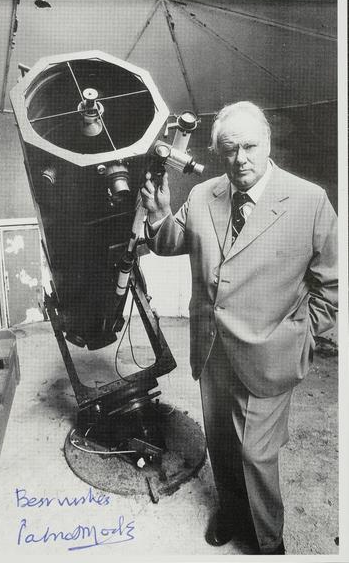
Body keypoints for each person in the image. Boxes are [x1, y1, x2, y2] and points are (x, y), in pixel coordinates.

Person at [140, 101, 338, 555]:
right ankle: (231, 512)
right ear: (218, 153)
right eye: (229, 149)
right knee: (224, 445)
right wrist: (159, 214)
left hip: (272, 353)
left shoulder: (309, 200)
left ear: (267, 144)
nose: (241, 158)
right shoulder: (204, 194)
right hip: (212, 349)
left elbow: (333, 285)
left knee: (256, 454)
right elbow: (173, 242)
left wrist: (301, 340)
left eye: (250, 146)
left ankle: (268, 541)